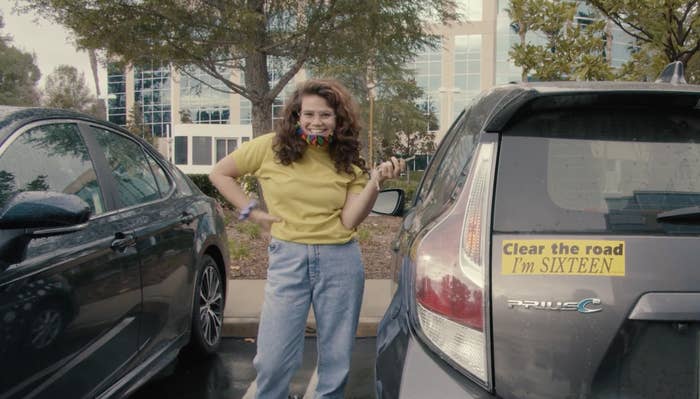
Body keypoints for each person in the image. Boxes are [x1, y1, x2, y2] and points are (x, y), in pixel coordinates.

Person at [209, 79, 404, 399]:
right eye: (309, 114)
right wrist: (251, 211)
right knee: (272, 361)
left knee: (336, 360)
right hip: (288, 258)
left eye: (326, 115)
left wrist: (374, 183)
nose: (317, 121)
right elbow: (220, 173)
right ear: (296, 115)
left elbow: (350, 220)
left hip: (340, 260)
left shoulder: (347, 159)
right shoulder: (269, 147)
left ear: (338, 119)